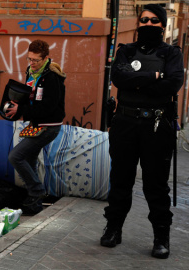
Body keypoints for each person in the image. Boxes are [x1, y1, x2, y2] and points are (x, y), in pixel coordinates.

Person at [101, 4, 184, 259]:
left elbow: (172, 84)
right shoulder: (126, 51)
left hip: (156, 127)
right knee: (120, 181)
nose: (147, 24)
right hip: (125, 124)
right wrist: (154, 76)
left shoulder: (172, 53)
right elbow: (118, 78)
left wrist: (139, 80)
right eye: (143, 20)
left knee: (156, 185)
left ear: (162, 25)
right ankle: (113, 228)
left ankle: (161, 236)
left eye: (154, 21)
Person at [4, 39, 66, 215]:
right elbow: (31, 96)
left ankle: (37, 192)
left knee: (15, 156)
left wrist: (22, 109)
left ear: (46, 58)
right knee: (29, 160)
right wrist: (16, 103)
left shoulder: (52, 77)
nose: (32, 63)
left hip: (49, 126)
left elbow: (48, 107)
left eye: (36, 60)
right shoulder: (31, 71)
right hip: (36, 124)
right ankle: (34, 204)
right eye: (29, 59)